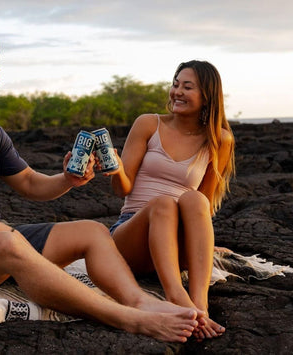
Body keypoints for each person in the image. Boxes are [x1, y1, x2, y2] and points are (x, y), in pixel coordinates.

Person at [0, 31, 203, 343]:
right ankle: (126, 318)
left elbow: (29, 182)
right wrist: (12, 237)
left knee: (92, 231)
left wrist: (67, 179)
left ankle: (140, 301)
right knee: (8, 243)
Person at [105, 60, 235, 340]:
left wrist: (206, 246)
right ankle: (177, 296)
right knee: (164, 203)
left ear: (207, 96)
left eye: (187, 87)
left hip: (174, 245)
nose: (177, 92)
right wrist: (116, 169)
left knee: (195, 200)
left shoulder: (219, 140)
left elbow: (206, 203)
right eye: (176, 84)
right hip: (133, 235)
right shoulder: (148, 124)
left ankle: (199, 302)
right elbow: (121, 189)